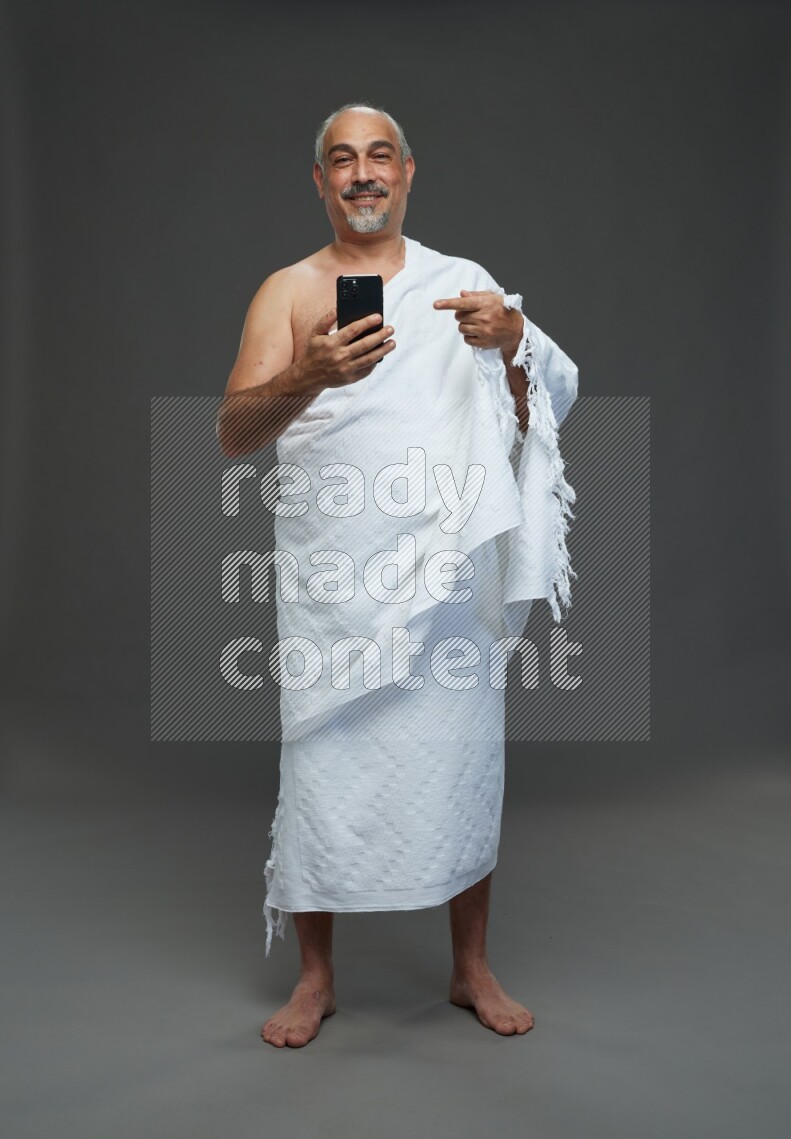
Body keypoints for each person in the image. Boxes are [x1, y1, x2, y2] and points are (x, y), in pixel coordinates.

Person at [217, 102, 579, 1048]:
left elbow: (534, 410)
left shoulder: (466, 286)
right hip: (334, 578)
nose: (363, 174)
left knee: (460, 756)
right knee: (323, 760)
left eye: (380, 157)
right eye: (343, 160)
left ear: (409, 172)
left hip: (445, 572)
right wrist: (309, 376)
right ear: (320, 181)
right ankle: (316, 979)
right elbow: (233, 435)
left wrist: (511, 344)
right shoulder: (288, 292)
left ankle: (469, 969)